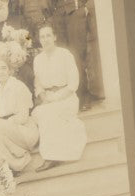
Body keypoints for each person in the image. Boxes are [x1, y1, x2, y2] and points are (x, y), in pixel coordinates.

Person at [30, 24, 87, 166]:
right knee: (40, 113)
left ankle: (50, 157)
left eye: (48, 35)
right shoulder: (38, 60)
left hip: (67, 98)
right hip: (48, 98)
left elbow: (73, 84)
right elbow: (38, 85)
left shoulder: (65, 55)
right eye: (42, 37)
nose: (45, 39)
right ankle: (53, 153)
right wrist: (45, 98)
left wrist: (56, 98)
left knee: (49, 113)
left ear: (55, 37)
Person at [0, 51, 39, 173]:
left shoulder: (18, 86)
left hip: (24, 130)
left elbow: (23, 117)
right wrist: (2, 125)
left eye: (4, 68)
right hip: (7, 130)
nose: (1, 72)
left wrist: (5, 124)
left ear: (10, 70)